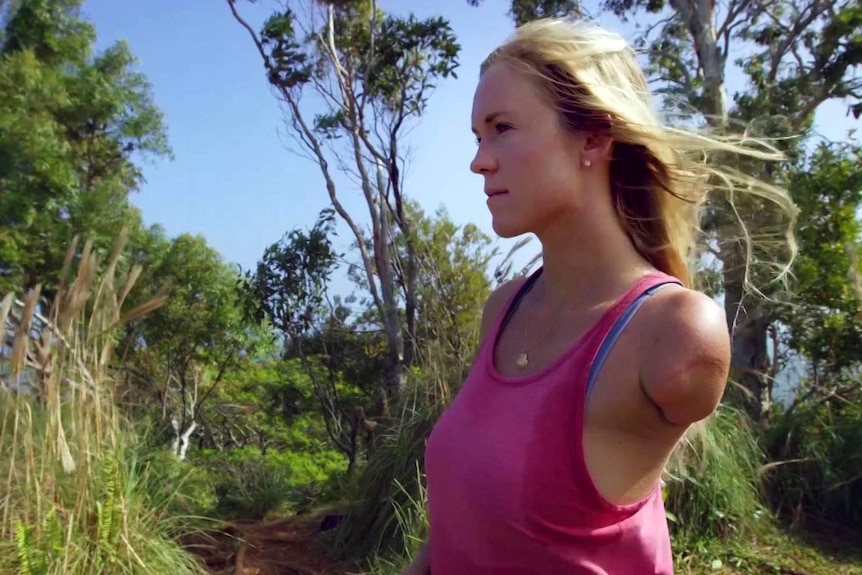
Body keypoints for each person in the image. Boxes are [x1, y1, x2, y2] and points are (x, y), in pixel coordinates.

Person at [401, 17, 796, 575]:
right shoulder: (504, 310)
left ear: (593, 138)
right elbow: (455, 537)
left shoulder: (674, 333)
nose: (479, 160)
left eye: (503, 128)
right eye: (478, 137)